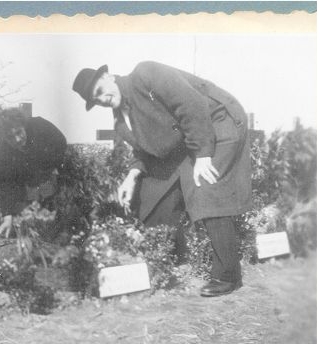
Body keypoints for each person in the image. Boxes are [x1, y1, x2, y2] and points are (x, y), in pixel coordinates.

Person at [72, 61, 252, 297]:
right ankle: (173, 260)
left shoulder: (145, 74)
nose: (101, 99)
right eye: (95, 100)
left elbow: (192, 105)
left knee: (204, 184)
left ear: (108, 76)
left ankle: (228, 275)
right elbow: (144, 150)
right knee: (152, 196)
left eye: (99, 91)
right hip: (190, 138)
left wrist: (204, 154)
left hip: (218, 120)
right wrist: (132, 176)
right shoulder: (120, 120)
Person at [0, 106, 67, 237]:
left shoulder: (40, 127)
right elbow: (5, 185)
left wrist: (50, 170)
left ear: (23, 125)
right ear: (3, 138)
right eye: (10, 137)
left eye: (19, 132)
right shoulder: (2, 153)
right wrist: (7, 217)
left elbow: (60, 143)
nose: (17, 139)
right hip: (26, 188)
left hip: (54, 178)